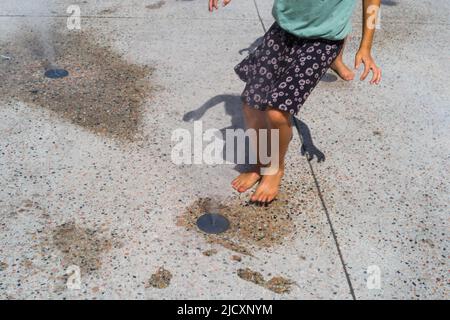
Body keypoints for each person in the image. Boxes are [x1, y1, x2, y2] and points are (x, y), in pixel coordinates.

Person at [209, 0, 382, 204]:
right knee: (251, 106)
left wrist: (366, 46)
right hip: (284, 29)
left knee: (277, 113)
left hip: (322, 41)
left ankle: (274, 169)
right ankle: (260, 162)